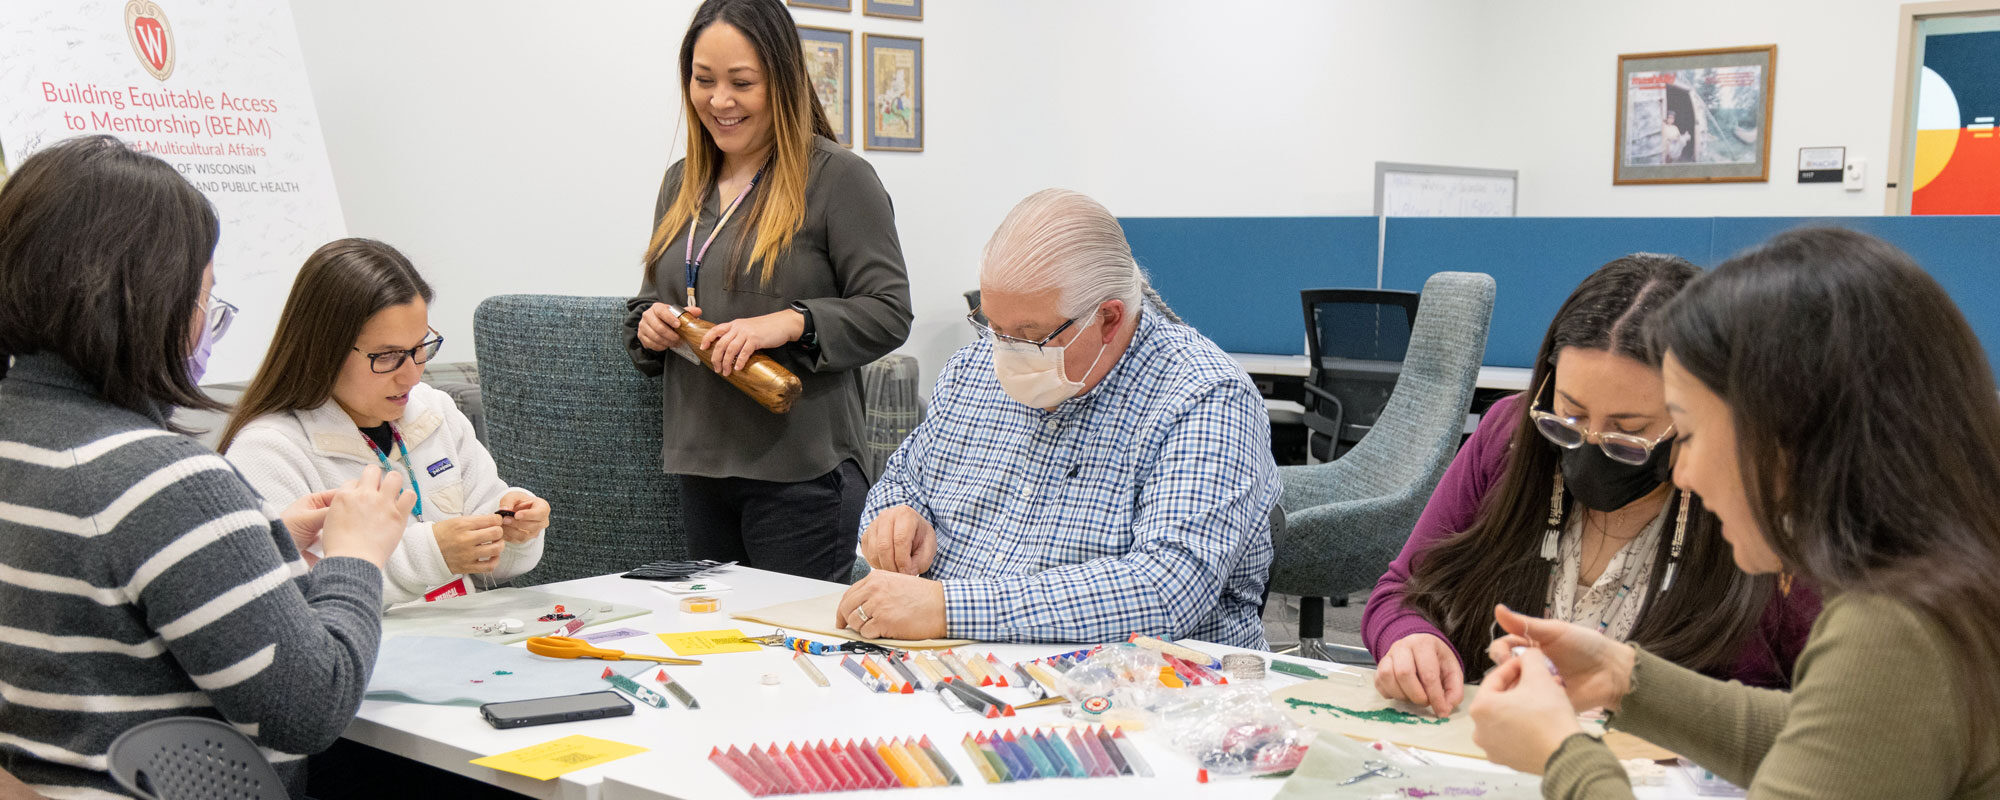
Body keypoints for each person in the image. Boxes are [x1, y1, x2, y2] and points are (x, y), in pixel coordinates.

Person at [1470, 228, 2000, 798]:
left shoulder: (1893, 633)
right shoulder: (1936, 593)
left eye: (1691, 433)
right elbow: (1829, 740)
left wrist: (1560, 755)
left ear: (1787, 438)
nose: (1682, 474)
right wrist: (1621, 680)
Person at [0, 135, 411, 797]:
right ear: (146, 302)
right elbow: (312, 708)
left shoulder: (24, 437)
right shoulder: (161, 477)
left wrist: (247, 540)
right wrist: (356, 558)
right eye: (202, 298)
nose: (206, 325)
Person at [1366, 254, 1818, 716]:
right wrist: (1410, 638)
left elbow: (1837, 713)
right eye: (1570, 416)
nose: (1590, 447)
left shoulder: (1762, 514)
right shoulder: (1510, 440)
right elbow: (1402, 587)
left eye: (1629, 433)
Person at [834, 188, 1278, 648]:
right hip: (951, 661)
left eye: (1030, 336)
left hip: (1135, 686)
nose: (1004, 353)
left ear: (1109, 319)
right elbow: (904, 480)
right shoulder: (972, 370)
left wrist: (947, 608)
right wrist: (896, 520)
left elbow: (1165, 588)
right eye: (994, 327)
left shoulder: (1203, 397)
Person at [625, 0, 911, 583]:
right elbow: (653, 299)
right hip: (700, 468)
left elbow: (888, 311)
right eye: (704, 81)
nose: (719, 101)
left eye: (742, 83)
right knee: (721, 653)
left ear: (782, 80)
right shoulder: (681, 181)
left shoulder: (838, 178)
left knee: (800, 655)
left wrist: (791, 322)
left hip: (801, 476)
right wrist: (649, 327)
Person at [222, 238, 548, 607]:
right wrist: (432, 554)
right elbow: (288, 598)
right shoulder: (268, 450)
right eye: (388, 356)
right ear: (322, 351)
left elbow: (500, 562)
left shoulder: (435, 411)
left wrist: (516, 528)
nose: (411, 376)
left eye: (420, 346)